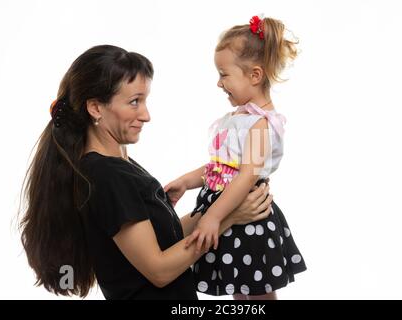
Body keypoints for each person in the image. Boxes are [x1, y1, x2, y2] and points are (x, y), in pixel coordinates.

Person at [19, 44, 273, 300]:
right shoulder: (107, 176)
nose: (146, 115)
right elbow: (159, 270)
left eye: (144, 100)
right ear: (95, 108)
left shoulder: (119, 164)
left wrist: (221, 211)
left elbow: (163, 242)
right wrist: (227, 220)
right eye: (134, 102)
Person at [164, 16, 307, 300]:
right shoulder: (237, 118)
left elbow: (246, 176)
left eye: (224, 74)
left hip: (247, 218)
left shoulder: (261, 123)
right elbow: (220, 168)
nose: (219, 83)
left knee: (257, 292)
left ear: (255, 75)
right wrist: (186, 181)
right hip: (225, 212)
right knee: (238, 288)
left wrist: (213, 218)